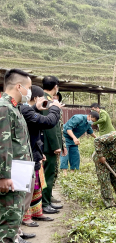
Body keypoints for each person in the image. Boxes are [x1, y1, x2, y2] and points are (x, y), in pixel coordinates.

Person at [0, 69, 34, 243]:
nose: (29, 92)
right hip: (10, 173)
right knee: (7, 219)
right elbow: (2, 144)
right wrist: (3, 176)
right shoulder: (4, 108)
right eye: (29, 88)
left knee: (15, 216)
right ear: (19, 86)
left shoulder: (14, 107)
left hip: (19, 171)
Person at [20, 85, 63, 228]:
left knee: (35, 185)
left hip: (34, 152)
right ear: (37, 97)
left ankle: (36, 212)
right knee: (26, 190)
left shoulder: (27, 109)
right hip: (26, 155)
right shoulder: (24, 108)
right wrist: (55, 107)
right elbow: (48, 123)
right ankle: (25, 219)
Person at [41, 76, 66, 214]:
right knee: (47, 174)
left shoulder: (49, 100)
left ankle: (47, 200)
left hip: (50, 144)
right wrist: (56, 145)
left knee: (49, 174)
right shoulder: (46, 101)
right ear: (55, 86)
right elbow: (49, 125)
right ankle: (44, 203)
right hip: (48, 145)